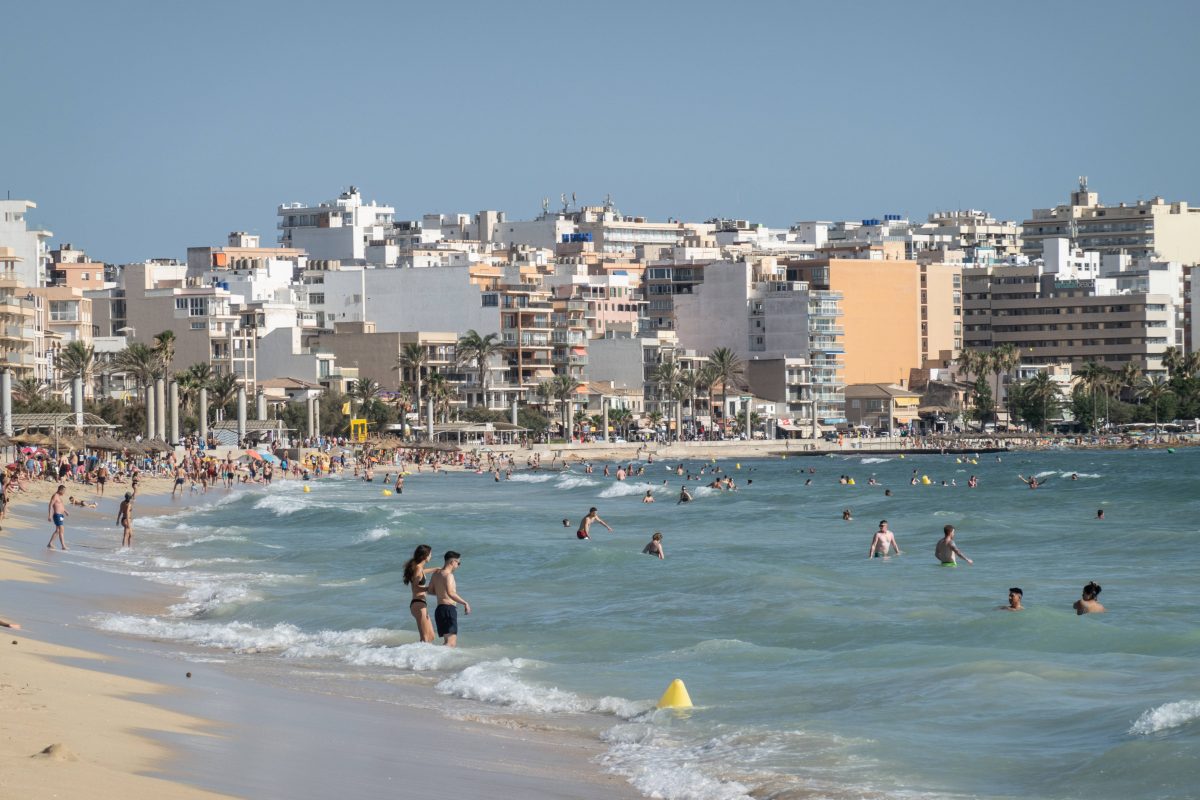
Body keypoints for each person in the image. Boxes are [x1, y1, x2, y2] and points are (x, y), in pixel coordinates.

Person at [429, 551, 470, 647]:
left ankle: (434, 655)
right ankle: (434, 656)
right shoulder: (449, 575)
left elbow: (430, 591)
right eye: (458, 563)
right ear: (452, 562)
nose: (458, 566)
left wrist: (441, 593)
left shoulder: (436, 574)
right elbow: (451, 593)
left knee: (447, 642)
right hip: (448, 609)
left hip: (439, 610)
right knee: (451, 643)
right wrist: (465, 603)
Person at [402, 544, 439, 642]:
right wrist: (429, 589)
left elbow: (423, 572)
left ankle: (421, 651)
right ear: (425, 556)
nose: (431, 556)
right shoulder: (418, 568)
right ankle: (418, 652)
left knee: (431, 636)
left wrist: (435, 569)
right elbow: (415, 588)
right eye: (430, 554)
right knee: (425, 638)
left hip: (421, 604)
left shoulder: (419, 568)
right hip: (418, 604)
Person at [47, 485, 68, 550]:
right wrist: (50, 515)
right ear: (60, 490)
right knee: (61, 529)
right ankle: (63, 546)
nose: (64, 492)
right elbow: (50, 505)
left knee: (58, 530)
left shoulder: (59, 496)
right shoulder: (55, 496)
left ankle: (50, 543)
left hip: (61, 515)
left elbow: (60, 505)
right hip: (57, 515)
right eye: (64, 491)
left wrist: (65, 511)